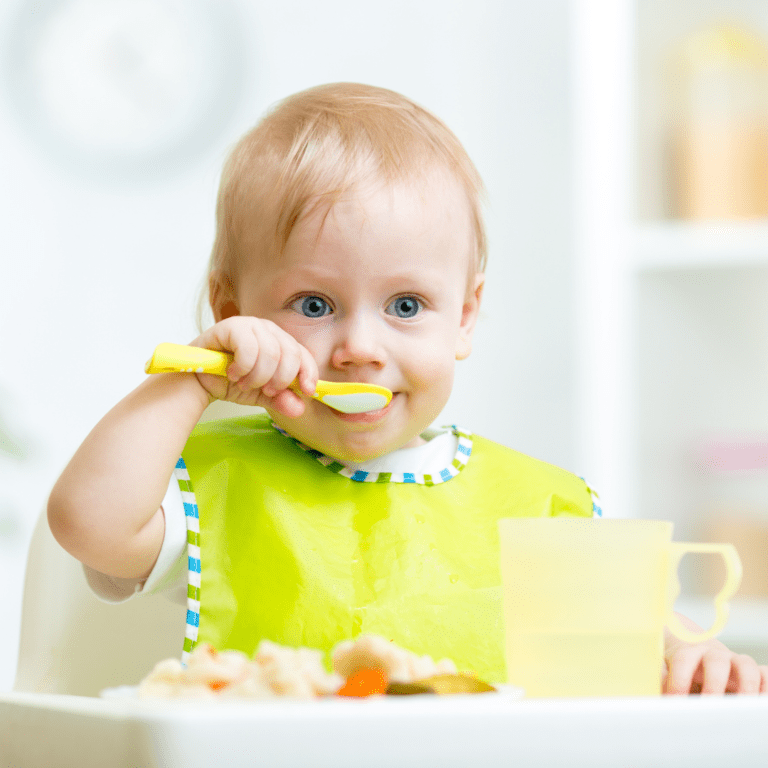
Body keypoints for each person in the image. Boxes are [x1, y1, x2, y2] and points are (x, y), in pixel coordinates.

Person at [47, 83, 767, 694]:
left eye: (405, 306)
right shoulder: (212, 481)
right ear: (234, 312)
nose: (361, 348)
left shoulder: (544, 508)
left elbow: (641, 658)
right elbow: (86, 522)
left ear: (464, 317)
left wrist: (691, 662)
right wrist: (196, 379)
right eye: (315, 305)